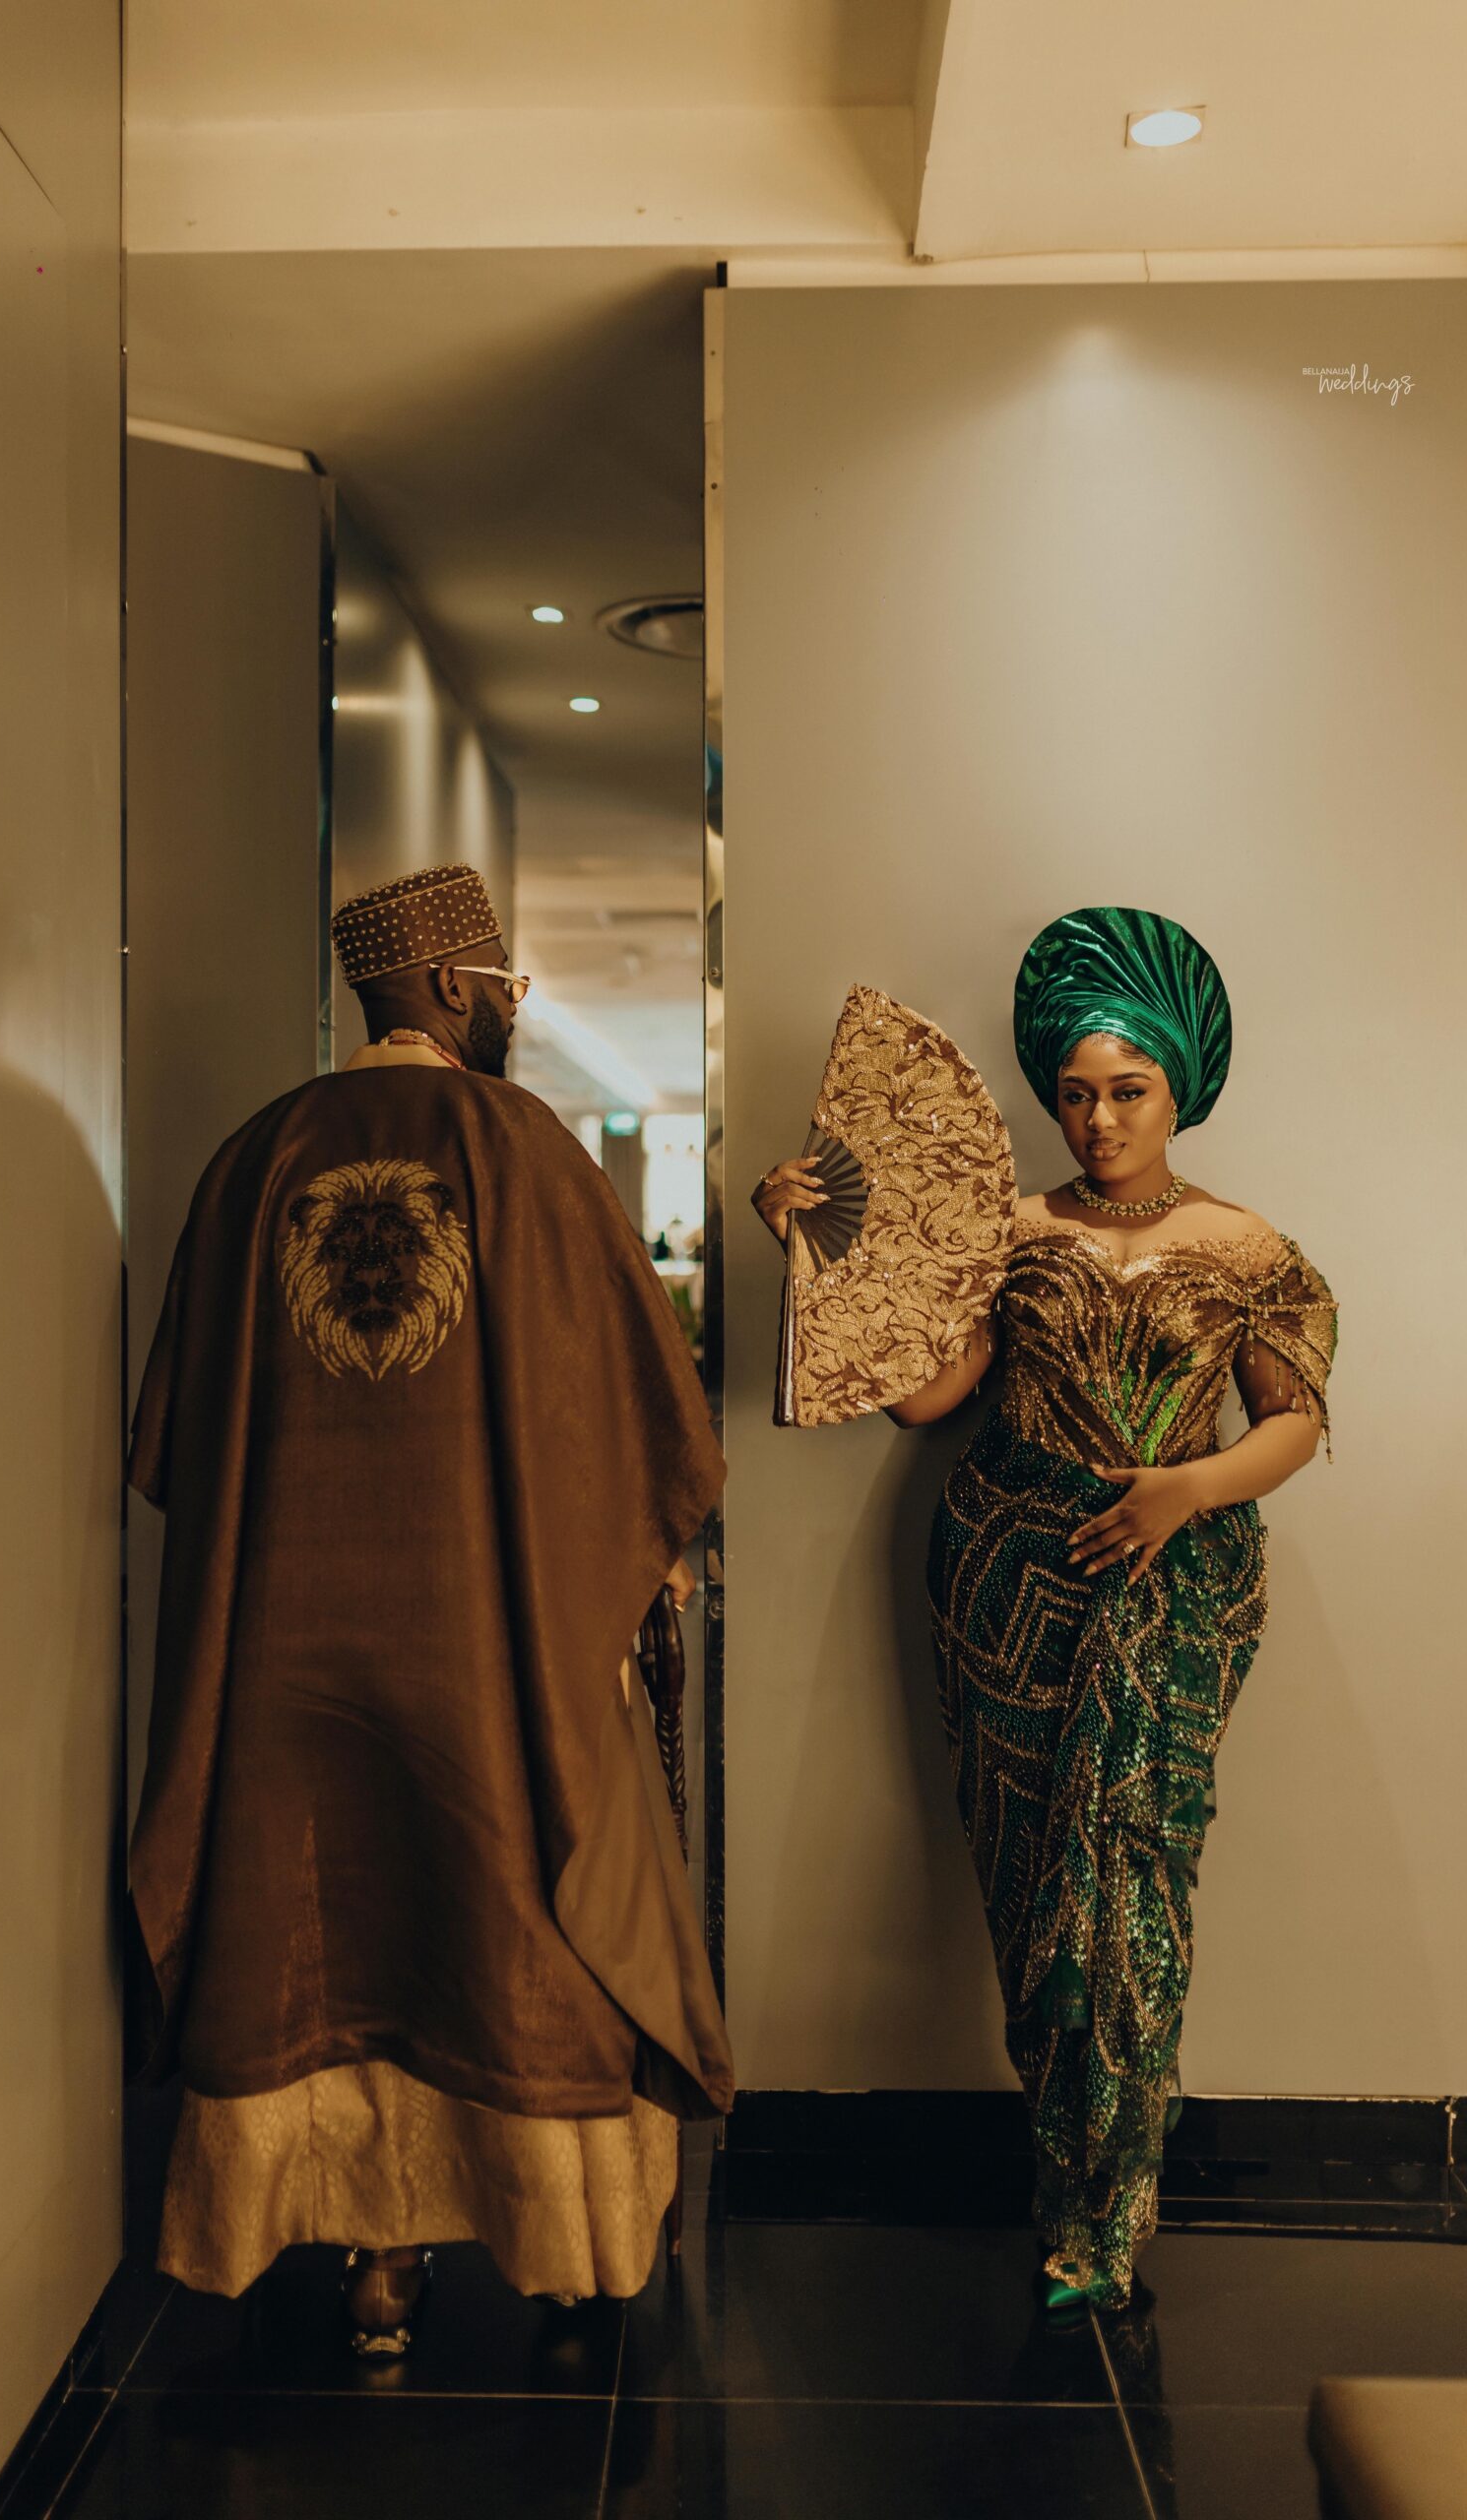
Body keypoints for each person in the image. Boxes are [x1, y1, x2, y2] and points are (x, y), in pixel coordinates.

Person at [129, 863, 731, 2352]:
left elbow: (177, 1450)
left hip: (282, 1660)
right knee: (507, 1916)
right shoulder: (528, 1154)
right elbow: (627, 1425)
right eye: (507, 988)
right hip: (486, 1647)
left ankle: (374, 2270)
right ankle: (561, 2246)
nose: (511, 1012)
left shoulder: (252, 1160)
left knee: (314, 1918)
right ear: (456, 988)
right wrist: (625, 1572)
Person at [754, 906, 1335, 2312]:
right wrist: (820, 1243)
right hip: (1007, 1574)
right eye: (1075, 1094)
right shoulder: (1003, 1233)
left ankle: (1112, 2205)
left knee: (1132, 1876)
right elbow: (930, 1399)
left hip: (1176, 1579)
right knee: (1030, 1888)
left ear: (1180, 1090)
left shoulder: (1250, 1249)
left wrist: (1186, 1491)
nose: (1098, 1120)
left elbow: (1295, 1423)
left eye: (1127, 1091)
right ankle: (1062, 2183)